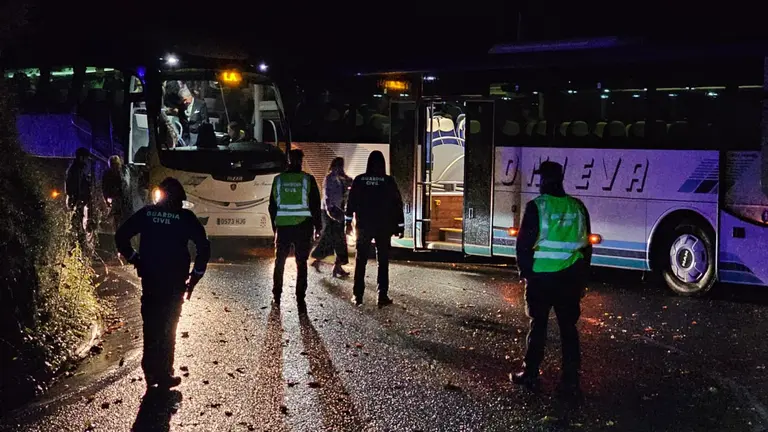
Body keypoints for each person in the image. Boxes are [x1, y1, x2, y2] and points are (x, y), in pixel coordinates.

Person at [115, 177, 211, 391]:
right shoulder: (185, 217)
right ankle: (165, 372)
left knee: (151, 324)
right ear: (179, 199)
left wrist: (135, 259)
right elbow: (203, 247)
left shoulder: (147, 214)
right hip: (175, 281)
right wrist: (195, 276)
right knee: (169, 326)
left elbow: (121, 236)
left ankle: (150, 370)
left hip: (151, 279)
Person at [511, 161, 592, 396]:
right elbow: (586, 247)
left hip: (542, 278)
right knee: (568, 329)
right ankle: (570, 380)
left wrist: (526, 273)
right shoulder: (578, 207)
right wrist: (581, 279)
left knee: (538, 326)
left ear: (543, 180)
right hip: (570, 277)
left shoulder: (537, 207)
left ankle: (530, 373)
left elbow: (523, 245)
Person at [345, 150, 404, 307]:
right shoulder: (388, 181)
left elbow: (351, 203)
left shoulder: (359, 180)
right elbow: (397, 204)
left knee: (360, 261)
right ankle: (382, 295)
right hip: (383, 227)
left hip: (364, 226)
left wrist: (348, 224)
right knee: (382, 261)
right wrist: (400, 225)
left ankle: (357, 296)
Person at [269, 149, 322, 314]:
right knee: (301, 262)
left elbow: (272, 206)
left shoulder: (279, 180)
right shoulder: (308, 179)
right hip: (303, 226)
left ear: (288, 161)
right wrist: (318, 226)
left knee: (280, 261)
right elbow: (315, 204)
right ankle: (300, 296)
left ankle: (277, 294)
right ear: (301, 161)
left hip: (283, 226)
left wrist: (275, 226)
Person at [310, 157, 352, 278]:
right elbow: (327, 196)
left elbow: (349, 186)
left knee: (334, 238)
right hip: (332, 211)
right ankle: (335, 265)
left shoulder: (341, 178)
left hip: (337, 210)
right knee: (336, 238)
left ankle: (327, 262)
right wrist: (330, 211)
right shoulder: (330, 178)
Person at [66, 147, 92, 245]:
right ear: (81, 157)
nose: (86, 160)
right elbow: (71, 185)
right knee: (76, 223)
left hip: (79, 199)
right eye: (85, 157)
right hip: (76, 200)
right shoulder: (74, 170)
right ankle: (75, 245)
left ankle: (78, 244)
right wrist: (74, 199)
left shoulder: (80, 169)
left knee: (79, 221)